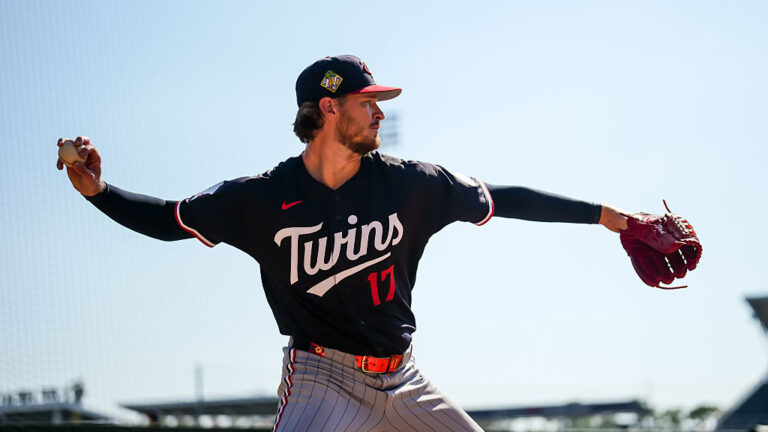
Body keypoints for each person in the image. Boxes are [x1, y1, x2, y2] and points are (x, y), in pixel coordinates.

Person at [57, 55, 629, 432]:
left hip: (405, 378)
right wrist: (97, 191)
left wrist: (612, 219)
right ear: (328, 109)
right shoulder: (259, 198)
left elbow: (506, 198)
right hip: (320, 380)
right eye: (367, 101)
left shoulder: (411, 183)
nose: (380, 111)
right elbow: (167, 219)